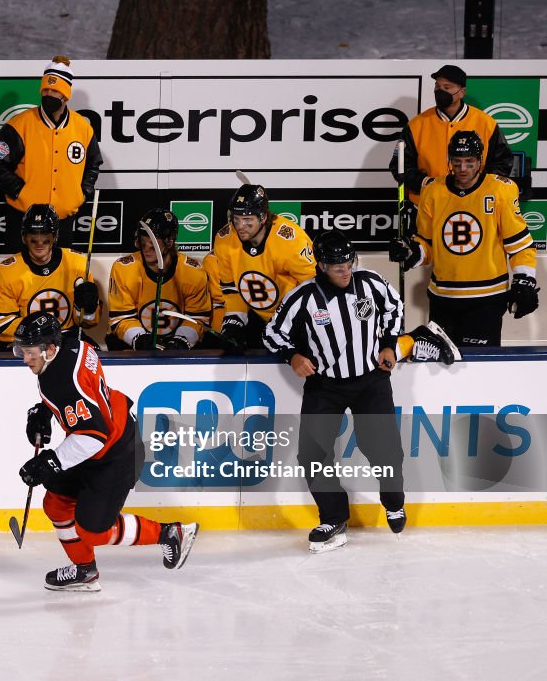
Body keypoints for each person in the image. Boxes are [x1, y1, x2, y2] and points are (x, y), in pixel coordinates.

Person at [263, 231, 460, 553]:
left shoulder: (370, 283)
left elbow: (394, 309)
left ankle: (394, 502)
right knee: (312, 455)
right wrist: (293, 356)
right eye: (337, 266)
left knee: (384, 450)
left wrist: (388, 344)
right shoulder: (302, 298)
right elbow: (272, 333)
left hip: (371, 380)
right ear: (321, 266)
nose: (345, 271)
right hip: (325, 386)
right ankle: (333, 517)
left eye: (348, 263)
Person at [13, 311, 198, 590]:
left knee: (93, 531)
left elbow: (94, 435)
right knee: (56, 504)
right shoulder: (73, 344)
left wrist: (51, 461)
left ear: (50, 349)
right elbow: (87, 398)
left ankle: (170, 533)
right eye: (22, 352)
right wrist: (45, 411)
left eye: (30, 353)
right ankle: (84, 571)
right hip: (101, 438)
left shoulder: (60, 381)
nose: (25, 359)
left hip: (115, 453)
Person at [389, 130, 538, 347]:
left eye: (469, 162)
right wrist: (412, 252)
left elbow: (520, 246)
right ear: (449, 160)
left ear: (480, 161)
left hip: (487, 299)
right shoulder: (433, 191)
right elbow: (428, 245)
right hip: (443, 299)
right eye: (457, 162)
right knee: (440, 367)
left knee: (478, 371)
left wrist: (524, 281)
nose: (463, 169)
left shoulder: (500, 190)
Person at [0, 55, 103, 250]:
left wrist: (81, 194)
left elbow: (93, 164)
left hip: (63, 222)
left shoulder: (83, 127)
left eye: (55, 91)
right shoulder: (19, 124)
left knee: (61, 275)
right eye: (45, 89)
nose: (48, 94)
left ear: (65, 95)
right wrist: (19, 190)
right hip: (23, 219)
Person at [390, 64, 513, 206]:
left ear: (461, 92)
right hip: (428, 205)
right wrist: (426, 183)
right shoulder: (417, 124)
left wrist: (479, 185)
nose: (440, 91)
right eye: (437, 86)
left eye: (447, 88)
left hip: (474, 205)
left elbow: (502, 162)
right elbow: (399, 166)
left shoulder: (486, 123)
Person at [214, 184, 316, 349]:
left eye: (247, 220)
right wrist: (234, 321)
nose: (240, 226)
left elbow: (315, 287)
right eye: (236, 218)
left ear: (262, 217)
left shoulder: (290, 241)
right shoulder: (224, 240)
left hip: (295, 317)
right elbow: (231, 288)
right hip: (258, 316)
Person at [0, 204, 101, 351]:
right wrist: (43, 336)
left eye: (45, 238)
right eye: (34, 239)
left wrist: (87, 308)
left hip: (67, 338)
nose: (40, 244)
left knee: (95, 357)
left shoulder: (77, 264)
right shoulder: (6, 271)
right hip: (26, 341)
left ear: (55, 237)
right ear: (24, 237)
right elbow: (2, 325)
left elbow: (86, 323)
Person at [106, 207, 212, 351]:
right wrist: (140, 338)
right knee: (114, 341)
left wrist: (181, 341)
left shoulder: (193, 272)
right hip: (135, 344)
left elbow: (198, 319)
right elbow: (120, 318)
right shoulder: (124, 268)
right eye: (143, 241)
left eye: (153, 243)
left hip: (175, 341)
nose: (146, 248)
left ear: (170, 242)